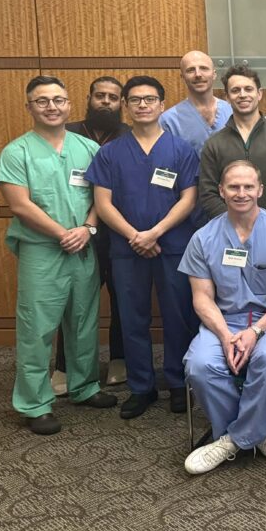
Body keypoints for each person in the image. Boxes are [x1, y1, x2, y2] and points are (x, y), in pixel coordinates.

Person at [0, 76, 118, 434]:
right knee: (37, 328)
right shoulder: (16, 152)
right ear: (29, 107)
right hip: (42, 251)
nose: (51, 106)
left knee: (84, 321)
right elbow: (20, 204)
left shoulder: (88, 148)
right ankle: (35, 403)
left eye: (58, 100)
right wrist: (62, 233)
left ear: (69, 105)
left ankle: (83, 387)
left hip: (83, 246)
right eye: (42, 101)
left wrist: (88, 229)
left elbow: (102, 197)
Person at [86, 76, 200, 419]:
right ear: (126, 105)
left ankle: (178, 383)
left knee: (178, 316)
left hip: (172, 245)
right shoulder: (110, 153)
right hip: (127, 249)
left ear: (162, 105)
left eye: (150, 99)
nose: (142, 105)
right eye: (134, 100)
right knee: (132, 318)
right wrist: (136, 235)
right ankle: (141, 387)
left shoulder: (181, 150)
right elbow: (102, 204)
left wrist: (156, 232)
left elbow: (189, 198)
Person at [180, 161, 266, 474]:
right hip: (224, 321)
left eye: (249, 186)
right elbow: (202, 297)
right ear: (221, 191)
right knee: (199, 365)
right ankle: (255, 432)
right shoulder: (203, 238)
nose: (241, 193)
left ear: (261, 190)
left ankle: (230, 440)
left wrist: (257, 331)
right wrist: (224, 335)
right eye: (233, 186)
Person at [56, 76, 129, 390]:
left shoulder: (128, 135)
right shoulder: (67, 133)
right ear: (89, 98)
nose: (106, 102)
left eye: (113, 97)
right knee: (75, 300)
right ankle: (63, 365)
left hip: (121, 230)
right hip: (77, 231)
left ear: (120, 103)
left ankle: (119, 359)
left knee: (123, 298)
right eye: (101, 96)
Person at [199, 65, 266, 220]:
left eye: (248, 89)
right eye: (235, 90)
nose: (242, 95)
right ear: (227, 97)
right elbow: (208, 193)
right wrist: (233, 223)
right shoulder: (214, 144)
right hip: (228, 230)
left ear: (259, 94)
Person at [159, 50, 232, 155]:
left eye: (204, 68)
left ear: (214, 74)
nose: (198, 74)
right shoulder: (168, 121)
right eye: (190, 70)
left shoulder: (232, 111)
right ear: (182, 77)